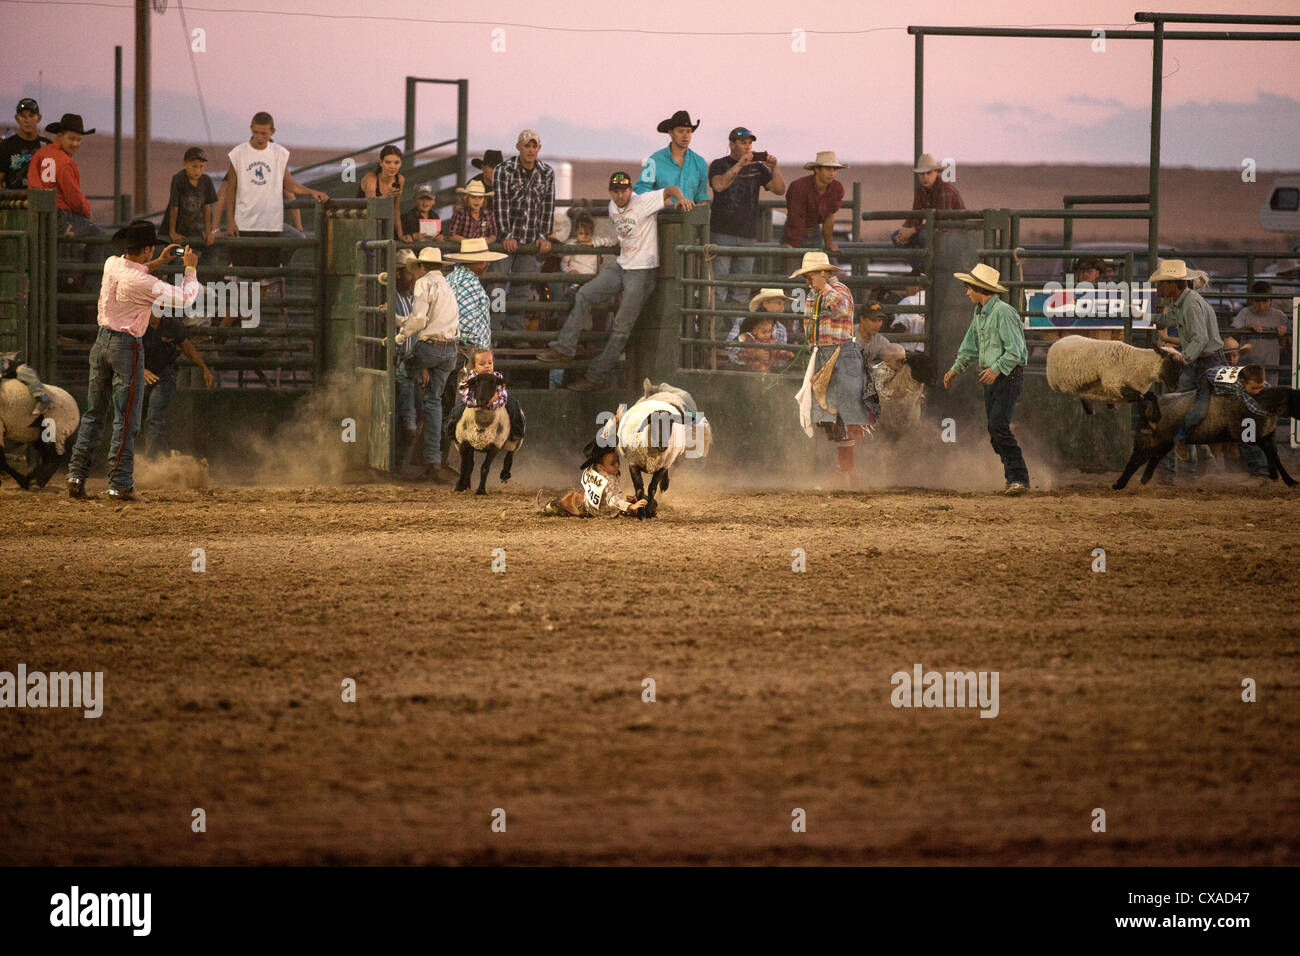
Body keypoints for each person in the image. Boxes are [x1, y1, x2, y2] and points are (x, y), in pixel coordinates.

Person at [66, 221, 200, 502]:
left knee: (94, 412)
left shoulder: (112, 263)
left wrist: (157, 261)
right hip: (126, 347)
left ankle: (76, 475)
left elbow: (135, 272)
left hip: (101, 341)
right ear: (148, 248)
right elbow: (186, 298)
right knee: (126, 419)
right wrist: (190, 268)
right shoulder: (145, 284)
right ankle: (120, 483)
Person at [535, 172, 694, 391]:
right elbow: (622, 236)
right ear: (611, 191)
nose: (621, 195)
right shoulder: (612, 207)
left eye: (624, 190)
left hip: (642, 270)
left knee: (621, 328)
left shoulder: (643, 201)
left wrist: (681, 199)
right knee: (584, 294)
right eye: (616, 191)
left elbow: (670, 189)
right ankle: (565, 348)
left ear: (630, 189)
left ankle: (595, 375)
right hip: (622, 264)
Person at [942, 263, 1030, 496]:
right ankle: (1014, 476)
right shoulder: (981, 314)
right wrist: (956, 368)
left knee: (998, 426)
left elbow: (1017, 350)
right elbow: (970, 345)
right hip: (994, 375)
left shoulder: (1003, 312)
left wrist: (997, 368)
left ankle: (1018, 477)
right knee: (995, 429)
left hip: (1006, 375)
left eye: (969, 288)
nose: (967, 292)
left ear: (979, 289)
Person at [792, 251, 876, 486]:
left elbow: (844, 309)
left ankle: (845, 471)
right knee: (833, 416)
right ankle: (848, 472)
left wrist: (825, 288)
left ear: (823, 274)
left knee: (842, 414)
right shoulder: (814, 294)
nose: (808, 280)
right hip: (824, 355)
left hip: (841, 355)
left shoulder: (839, 290)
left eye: (810, 275)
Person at [225, 112, 329, 274]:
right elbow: (230, 188)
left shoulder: (279, 153)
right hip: (244, 223)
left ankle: (264, 298)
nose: (259, 137)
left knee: (266, 276)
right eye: (256, 132)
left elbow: (288, 184)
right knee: (242, 276)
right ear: (251, 129)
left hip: (270, 224)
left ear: (272, 132)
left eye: (264, 133)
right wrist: (230, 220)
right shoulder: (238, 153)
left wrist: (311, 192)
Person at [394, 247, 460, 481]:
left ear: (421, 266)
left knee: (404, 374)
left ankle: (410, 424)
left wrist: (400, 336)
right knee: (434, 401)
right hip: (450, 349)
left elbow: (420, 320)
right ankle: (433, 460)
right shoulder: (447, 286)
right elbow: (427, 320)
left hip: (430, 346)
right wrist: (401, 322)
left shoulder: (424, 284)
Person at [708, 127, 785, 312]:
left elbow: (779, 189)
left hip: (747, 235)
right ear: (732, 144)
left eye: (750, 143)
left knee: (741, 290)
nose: (747, 146)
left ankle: (732, 334)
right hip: (722, 233)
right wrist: (739, 165)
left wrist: (775, 168)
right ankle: (714, 335)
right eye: (743, 142)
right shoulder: (719, 164)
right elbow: (718, 186)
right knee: (718, 288)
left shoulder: (758, 167)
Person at [494, 130, 556, 332]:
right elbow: (500, 203)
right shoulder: (504, 170)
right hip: (507, 241)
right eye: (526, 146)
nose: (530, 150)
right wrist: (506, 234)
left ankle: (515, 332)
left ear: (539, 148)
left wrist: (543, 235)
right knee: (498, 285)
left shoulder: (547, 172)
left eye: (534, 146)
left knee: (522, 288)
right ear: (518, 147)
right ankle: (493, 332)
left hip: (530, 240)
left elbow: (548, 205)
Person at [139, 315, 215, 456]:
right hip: (139, 376)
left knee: (154, 417)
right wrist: (141, 369)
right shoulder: (136, 322)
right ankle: (153, 455)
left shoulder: (173, 325)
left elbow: (188, 349)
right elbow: (125, 351)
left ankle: (152, 461)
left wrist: (203, 367)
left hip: (163, 375)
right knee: (142, 418)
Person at [1173, 363, 1269, 462]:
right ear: (1243, 382)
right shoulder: (1238, 386)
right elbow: (1252, 407)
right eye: (1254, 388)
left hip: (1221, 377)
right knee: (1200, 411)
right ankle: (1180, 437)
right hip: (1206, 379)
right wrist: (1269, 413)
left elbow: (1267, 387)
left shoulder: (1253, 380)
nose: (1258, 391)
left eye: (1260, 387)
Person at [447, 347, 526, 451]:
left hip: (493, 401)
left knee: (513, 404)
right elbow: (467, 397)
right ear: (474, 366)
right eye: (482, 364)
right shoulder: (469, 379)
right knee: (458, 409)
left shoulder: (497, 377)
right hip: (475, 402)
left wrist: (494, 401)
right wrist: (481, 404)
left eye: (490, 363)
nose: (487, 366)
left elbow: (502, 395)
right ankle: (452, 431)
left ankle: (516, 432)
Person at [538, 444, 647, 518]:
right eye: (613, 463)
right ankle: (551, 505)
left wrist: (627, 505)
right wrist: (630, 506)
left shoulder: (597, 470)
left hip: (597, 510)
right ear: (600, 467)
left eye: (617, 461)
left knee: (573, 496)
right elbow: (612, 499)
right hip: (601, 511)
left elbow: (611, 498)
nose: (618, 465)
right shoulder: (607, 479)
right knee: (574, 497)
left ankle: (551, 505)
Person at [635, 109, 709, 205]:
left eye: (689, 131)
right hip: (662, 217)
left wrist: (702, 207)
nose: (685, 136)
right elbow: (640, 190)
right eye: (680, 131)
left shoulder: (700, 162)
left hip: (689, 218)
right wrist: (661, 199)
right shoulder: (654, 160)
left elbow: (701, 195)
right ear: (671, 133)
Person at [892, 153, 965, 249]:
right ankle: (921, 264)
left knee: (924, 236)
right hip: (936, 230)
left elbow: (941, 222)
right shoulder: (921, 191)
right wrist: (905, 231)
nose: (925, 177)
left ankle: (933, 263)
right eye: (922, 174)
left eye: (928, 173)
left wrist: (912, 230)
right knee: (896, 237)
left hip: (956, 233)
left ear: (936, 172)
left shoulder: (945, 190)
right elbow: (915, 216)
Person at [782, 151, 846, 253]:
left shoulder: (836, 188)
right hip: (793, 232)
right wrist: (791, 243)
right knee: (792, 267)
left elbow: (829, 217)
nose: (832, 173)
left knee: (818, 266)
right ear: (817, 169)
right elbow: (796, 216)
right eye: (828, 169)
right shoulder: (799, 187)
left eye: (835, 169)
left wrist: (829, 244)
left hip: (815, 232)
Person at [166, 147, 218, 263]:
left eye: (201, 167)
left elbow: (206, 208)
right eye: (194, 166)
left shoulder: (206, 181)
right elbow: (174, 206)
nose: (198, 171)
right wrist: (172, 232)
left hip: (192, 229)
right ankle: (176, 278)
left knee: (211, 249)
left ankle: (201, 277)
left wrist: (208, 232)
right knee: (177, 255)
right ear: (185, 165)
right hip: (178, 229)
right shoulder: (179, 179)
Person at [1232, 280, 1288, 375]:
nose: (1261, 306)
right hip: (1247, 367)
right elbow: (1232, 336)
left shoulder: (1280, 316)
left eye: (1265, 301)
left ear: (1271, 300)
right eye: (1257, 301)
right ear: (1252, 300)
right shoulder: (1245, 313)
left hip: (1270, 368)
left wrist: (1283, 335)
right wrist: (1246, 328)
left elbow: (1286, 346)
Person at [726, 287, 792, 367]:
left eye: (783, 304)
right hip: (744, 369)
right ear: (765, 303)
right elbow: (730, 346)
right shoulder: (743, 322)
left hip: (769, 371)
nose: (783, 308)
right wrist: (753, 354)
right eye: (779, 303)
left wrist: (774, 355)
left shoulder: (781, 329)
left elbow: (780, 359)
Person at [1, 97, 50, 190]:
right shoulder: (6, 146)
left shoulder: (47, 146)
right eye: (23, 116)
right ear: (17, 118)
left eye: (31, 115)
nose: (27, 120)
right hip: (15, 201)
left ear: (39, 118)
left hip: (41, 201)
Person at [358, 144, 405, 235]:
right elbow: (372, 206)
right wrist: (387, 196)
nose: (392, 166)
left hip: (383, 225)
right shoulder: (371, 178)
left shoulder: (400, 179)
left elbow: (396, 209)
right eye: (388, 162)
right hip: (362, 223)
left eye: (396, 162)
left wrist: (400, 235)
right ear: (381, 163)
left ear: (401, 163)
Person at [0, 350, 53, 416]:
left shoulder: (2, 360)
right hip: (11, 374)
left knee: (23, 372)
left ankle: (44, 399)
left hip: (18, 368)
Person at [892, 282, 926, 351]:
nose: (906, 288)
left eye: (908, 285)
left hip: (907, 353)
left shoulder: (909, 300)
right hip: (928, 352)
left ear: (917, 286)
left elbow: (900, 326)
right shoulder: (935, 302)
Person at [858, 300, 892, 367]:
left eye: (880, 320)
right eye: (873, 320)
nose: (877, 325)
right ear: (862, 319)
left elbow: (893, 356)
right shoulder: (848, 336)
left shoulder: (880, 340)